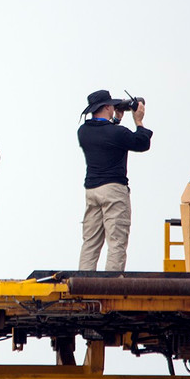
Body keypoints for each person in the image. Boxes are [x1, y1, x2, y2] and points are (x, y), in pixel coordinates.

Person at [77, 89, 152, 272]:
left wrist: (116, 119)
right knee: (116, 241)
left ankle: (83, 283)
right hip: (114, 191)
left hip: (92, 191)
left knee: (90, 243)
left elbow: (105, 133)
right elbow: (142, 143)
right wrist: (139, 121)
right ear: (108, 107)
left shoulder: (83, 131)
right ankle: (110, 286)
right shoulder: (118, 133)